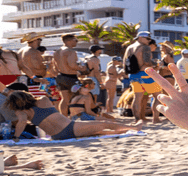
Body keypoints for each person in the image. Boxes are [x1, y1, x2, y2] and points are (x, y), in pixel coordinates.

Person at [4, 84, 135, 141]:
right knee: (104, 124)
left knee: (99, 132)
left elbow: (21, 124)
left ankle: (125, 131)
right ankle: (133, 127)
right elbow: (55, 100)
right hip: (70, 127)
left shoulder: (22, 113)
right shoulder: (42, 100)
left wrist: (16, 137)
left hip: (57, 136)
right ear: (27, 95)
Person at [124, 31, 158, 125]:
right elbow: (147, 62)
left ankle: (137, 119)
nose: (149, 41)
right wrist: (156, 64)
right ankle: (156, 119)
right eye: (147, 39)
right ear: (140, 38)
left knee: (137, 97)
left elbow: (124, 63)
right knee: (157, 96)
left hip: (133, 75)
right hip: (144, 74)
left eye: (150, 39)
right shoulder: (145, 47)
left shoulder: (129, 47)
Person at [52, 33, 81, 116]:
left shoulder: (57, 52)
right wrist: (81, 68)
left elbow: (54, 67)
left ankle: (64, 118)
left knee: (65, 99)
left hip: (61, 76)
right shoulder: (70, 51)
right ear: (69, 41)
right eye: (76, 40)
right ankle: (74, 116)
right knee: (77, 97)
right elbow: (72, 65)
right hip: (70, 77)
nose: (77, 42)